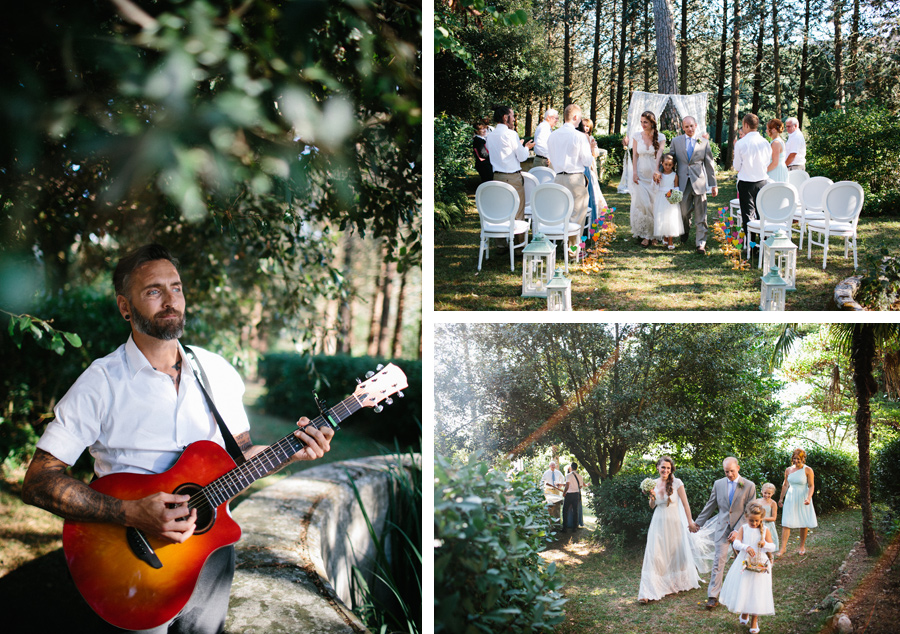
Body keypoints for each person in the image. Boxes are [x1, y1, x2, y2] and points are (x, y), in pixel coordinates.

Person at [21, 244, 334, 634]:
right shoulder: (100, 383)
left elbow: (239, 458)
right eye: (154, 291)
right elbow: (38, 481)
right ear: (125, 307)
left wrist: (294, 451)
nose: (171, 301)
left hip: (211, 554)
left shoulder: (216, 371)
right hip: (134, 566)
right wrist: (130, 513)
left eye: (177, 288)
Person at [692, 456, 758, 610]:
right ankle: (713, 596)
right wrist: (697, 524)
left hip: (741, 530)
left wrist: (737, 531)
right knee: (718, 561)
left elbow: (751, 511)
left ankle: (744, 593)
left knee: (744, 561)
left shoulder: (749, 486)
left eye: (732, 471)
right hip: (721, 528)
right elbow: (710, 505)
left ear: (738, 468)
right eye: (726, 471)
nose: (729, 474)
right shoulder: (718, 484)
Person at [638, 456, 701, 603]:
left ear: (671, 469)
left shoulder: (677, 482)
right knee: (655, 554)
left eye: (668, 468)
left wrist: (690, 522)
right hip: (658, 522)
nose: (665, 470)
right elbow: (652, 506)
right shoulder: (652, 483)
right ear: (657, 468)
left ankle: (676, 583)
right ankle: (647, 591)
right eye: (663, 467)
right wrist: (652, 496)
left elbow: (686, 505)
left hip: (675, 522)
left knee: (676, 552)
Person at [717, 503, 776, 633]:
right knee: (745, 587)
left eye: (757, 521)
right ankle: (744, 611)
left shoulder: (765, 530)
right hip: (745, 562)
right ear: (746, 517)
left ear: (761, 519)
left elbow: (773, 547)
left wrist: (764, 544)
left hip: (760, 565)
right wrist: (746, 547)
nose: (754, 523)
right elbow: (736, 543)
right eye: (751, 520)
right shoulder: (743, 528)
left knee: (757, 591)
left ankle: (754, 620)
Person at [547, 104, 593, 252]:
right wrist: (591, 151)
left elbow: (551, 158)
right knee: (577, 215)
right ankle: (573, 250)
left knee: (562, 212)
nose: (579, 122)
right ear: (575, 117)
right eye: (579, 118)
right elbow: (587, 161)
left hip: (558, 178)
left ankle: (564, 245)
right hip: (575, 179)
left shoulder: (552, 135)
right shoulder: (579, 136)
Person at [670, 116, 718, 254]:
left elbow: (709, 164)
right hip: (682, 183)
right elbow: (670, 160)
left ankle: (700, 244)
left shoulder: (704, 142)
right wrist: (665, 176)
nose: (689, 129)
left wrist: (713, 184)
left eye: (691, 126)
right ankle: (684, 230)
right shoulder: (676, 141)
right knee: (684, 212)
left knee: (701, 214)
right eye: (686, 126)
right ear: (682, 128)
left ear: (696, 125)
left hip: (699, 182)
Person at [486, 105, 534, 226]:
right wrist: (526, 148)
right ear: (505, 117)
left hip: (497, 177)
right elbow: (522, 157)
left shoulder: (490, 136)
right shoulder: (510, 134)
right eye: (512, 116)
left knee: (500, 210)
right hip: (512, 178)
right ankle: (518, 243)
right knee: (517, 211)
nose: (514, 119)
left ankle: (502, 243)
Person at [732, 113, 771, 252]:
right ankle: (764, 244)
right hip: (762, 182)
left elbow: (736, 166)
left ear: (746, 125)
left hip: (746, 182)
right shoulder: (765, 142)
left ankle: (751, 246)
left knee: (748, 215)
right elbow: (767, 161)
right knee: (762, 214)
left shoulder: (741, 143)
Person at [630, 111, 666, 247]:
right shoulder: (636, 137)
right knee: (644, 205)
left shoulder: (660, 137)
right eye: (641, 122)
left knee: (654, 205)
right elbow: (635, 155)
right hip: (640, 175)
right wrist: (634, 172)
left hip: (654, 176)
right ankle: (646, 234)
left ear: (652, 122)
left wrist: (657, 170)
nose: (643, 125)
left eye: (645, 122)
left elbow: (659, 155)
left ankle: (655, 235)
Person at [777, 448, 817, 556]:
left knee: (803, 522)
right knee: (786, 522)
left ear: (803, 458)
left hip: (803, 497)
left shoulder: (807, 470)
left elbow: (811, 485)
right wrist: (781, 498)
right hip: (790, 497)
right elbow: (785, 485)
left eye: (798, 459)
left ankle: (802, 546)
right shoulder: (788, 470)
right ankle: (783, 548)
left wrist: (809, 497)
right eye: (794, 458)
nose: (796, 461)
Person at [578, 117, 608, 225]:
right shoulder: (579, 137)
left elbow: (595, 154)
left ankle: (595, 213)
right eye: (584, 126)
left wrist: (592, 147)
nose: (585, 128)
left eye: (588, 126)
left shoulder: (591, 138)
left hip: (590, 164)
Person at [652, 153, 683, 250]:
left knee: (671, 219)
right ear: (662, 163)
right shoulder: (659, 175)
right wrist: (656, 180)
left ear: (673, 165)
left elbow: (676, 186)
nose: (668, 167)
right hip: (661, 197)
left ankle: (670, 240)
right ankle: (665, 237)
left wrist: (676, 196)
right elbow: (655, 186)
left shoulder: (674, 175)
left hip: (670, 199)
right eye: (666, 164)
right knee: (663, 218)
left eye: (670, 165)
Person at [757, 483, 780, 559]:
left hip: (768, 525)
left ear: (772, 493)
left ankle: (769, 557)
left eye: (769, 493)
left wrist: (762, 519)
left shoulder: (773, 503)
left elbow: (774, 518)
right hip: (758, 524)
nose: (766, 495)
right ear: (762, 491)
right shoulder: (757, 501)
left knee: (767, 542)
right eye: (765, 493)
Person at [561, 461, 584, 533]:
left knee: (565, 510)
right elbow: (580, 486)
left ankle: (565, 527)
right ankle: (575, 527)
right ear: (577, 468)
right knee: (575, 511)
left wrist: (564, 493)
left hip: (569, 494)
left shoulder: (568, 475)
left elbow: (567, 485)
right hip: (576, 494)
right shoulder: (580, 476)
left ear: (571, 468)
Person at [765, 118, 789, 183]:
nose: (766, 131)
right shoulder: (779, 141)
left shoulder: (776, 143)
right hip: (779, 169)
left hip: (775, 172)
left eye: (767, 129)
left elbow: (775, 163)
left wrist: (764, 171)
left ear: (773, 130)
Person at [472, 119, 494, 184]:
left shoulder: (481, 139)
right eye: (482, 129)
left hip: (485, 164)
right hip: (484, 165)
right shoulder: (478, 140)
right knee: (488, 182)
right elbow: (483, 154)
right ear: (476, 131)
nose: (484, 131)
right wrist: (493, 157)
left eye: (485, 129)